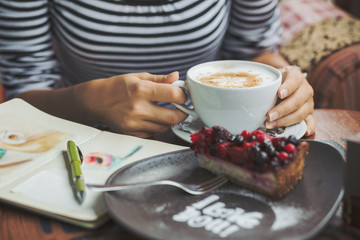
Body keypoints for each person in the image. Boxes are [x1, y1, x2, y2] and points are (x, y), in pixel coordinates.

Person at [0, 0, 315, 138]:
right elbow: (23, 95)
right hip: (87, 141)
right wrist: (87, 102)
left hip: (214, 143)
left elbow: (255, 53)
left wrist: (287, 82)